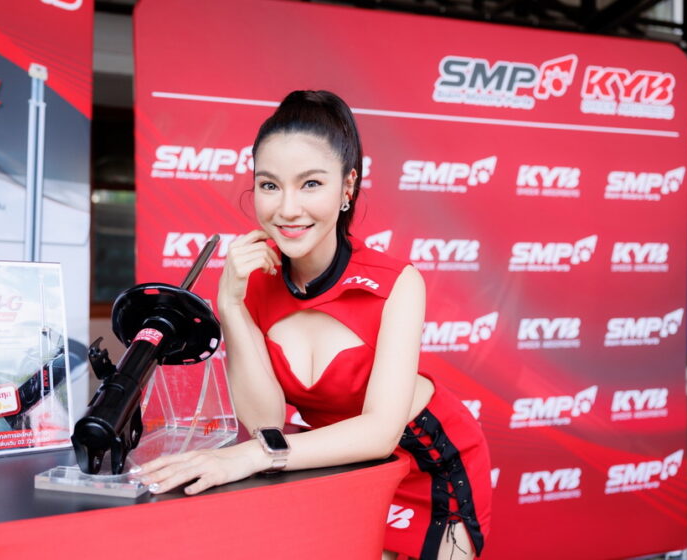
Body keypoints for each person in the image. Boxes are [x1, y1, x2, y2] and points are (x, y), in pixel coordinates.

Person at [139, 90, 492, 560]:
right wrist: (231, 304)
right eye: (269, 185)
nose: (287, 209)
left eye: (310, 184)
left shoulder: (396, 283)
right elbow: (265, 423)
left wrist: (248, 456)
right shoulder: (254, 282)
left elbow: (380, 432)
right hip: (337, 465)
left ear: (347, 188)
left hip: (427, 465)